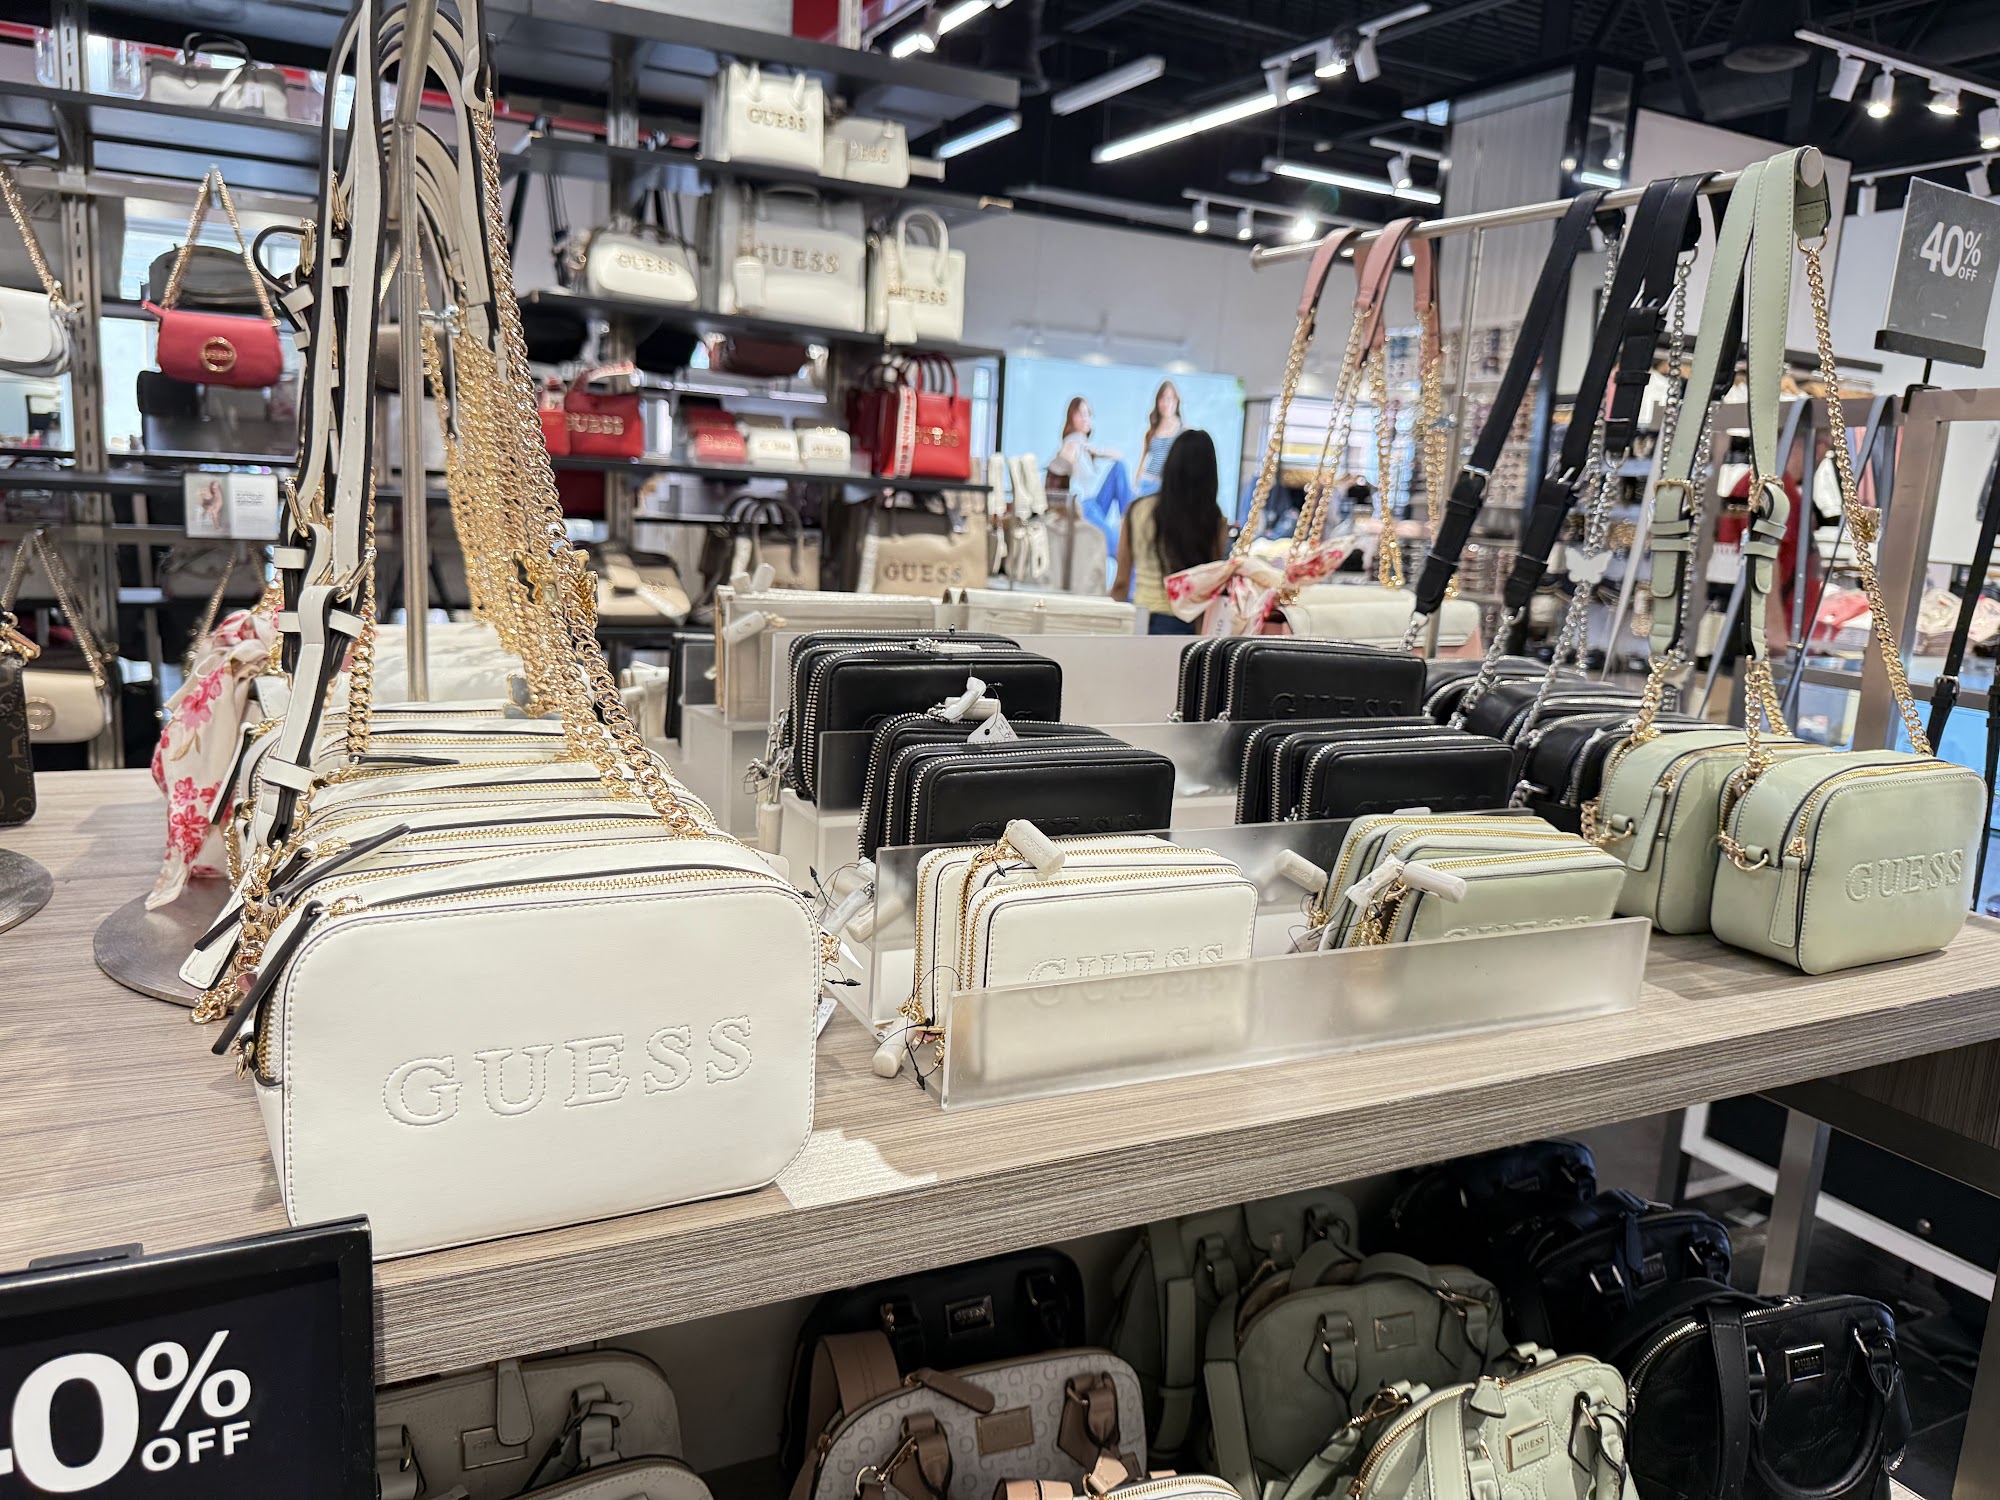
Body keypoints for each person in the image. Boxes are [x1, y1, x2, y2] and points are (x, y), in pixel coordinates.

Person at [1113, 428, 1230, 635]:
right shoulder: (1214, 519)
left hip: (1141, 619)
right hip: (1188, 624)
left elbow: (1121, 582)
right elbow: (1210, 583)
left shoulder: (1138, 510)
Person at [1046, 397, 1133, 558]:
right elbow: (1059, 472)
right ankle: (1130, 532)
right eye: (1080, 414)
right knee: (1123, 548)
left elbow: (1120, 456)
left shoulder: (1084, 446)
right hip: (1084, 508)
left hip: (1094, 504)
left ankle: (1129, 522)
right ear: (1072, 417)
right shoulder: (1071, 444)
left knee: (1119, 467)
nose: (1085, 418)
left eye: (1088, 414)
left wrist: (1097, 452)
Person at [1134, 380, 1185, 497]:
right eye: (1162, 399)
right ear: (1157, 402)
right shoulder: (1151, 432)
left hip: (1169, 487)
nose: (1166, 403)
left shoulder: (1183, 431)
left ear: (1176, 401)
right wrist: (1136, 485)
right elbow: (1142, 461)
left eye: (1170, 399)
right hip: (1147, 484)